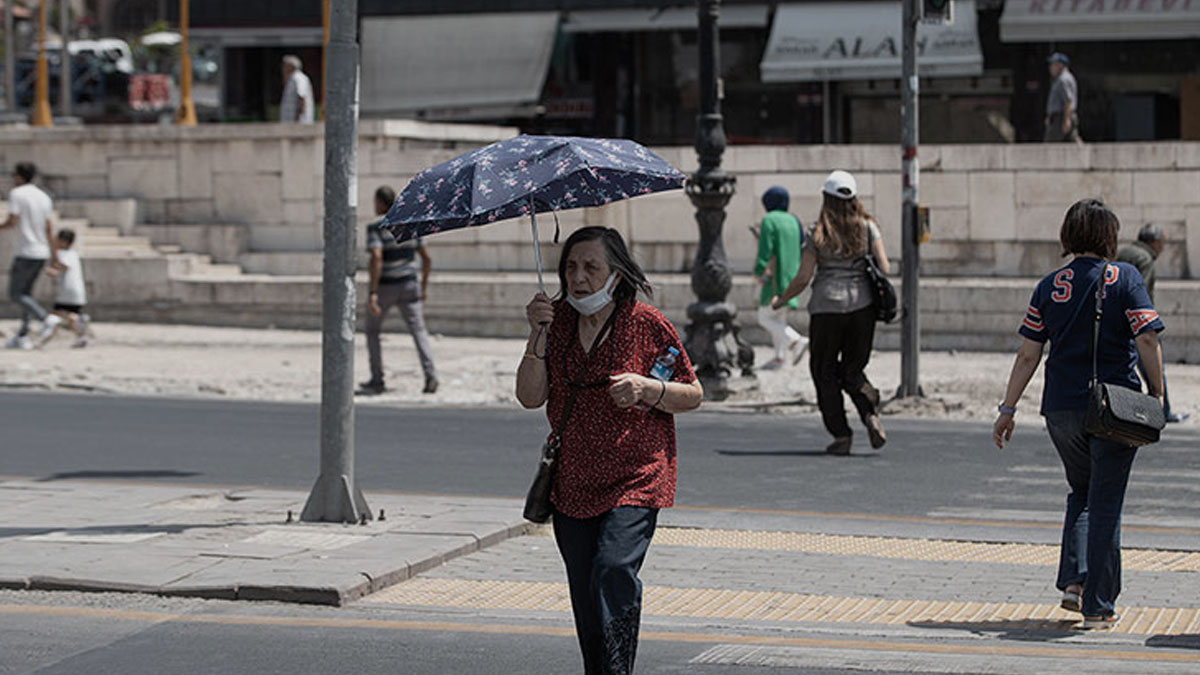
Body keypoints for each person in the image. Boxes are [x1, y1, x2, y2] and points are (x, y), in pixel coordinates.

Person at [516, 226, 703, 675]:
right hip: (574, 480)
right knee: (585, 592)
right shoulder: (556, 321)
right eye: (570, 267)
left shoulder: (645, 323)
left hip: (636, 475)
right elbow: (529, 396)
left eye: (591, 267)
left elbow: (692, 393)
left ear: (616, 274)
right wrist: (536, 335)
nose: (578, 277)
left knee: (612, 570)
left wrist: (647, 388)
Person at [994, 199, 1163, 630]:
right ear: (1109, 235)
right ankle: (1098, 606)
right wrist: (1158, 393)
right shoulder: (1124, 277)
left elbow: (1028, 354)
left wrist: (1008, 409)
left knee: (1082, 491)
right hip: (1114, 408)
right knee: (1106, 502)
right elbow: (1146, 339)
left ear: (1068, 235)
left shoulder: (1049, 285)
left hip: (1061, 408)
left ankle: (1074, 582)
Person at [773, 170, 890, 456]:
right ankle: (870, 413)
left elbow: (803, 277)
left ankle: (841, 435)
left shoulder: (818, 232)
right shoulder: (868, 227)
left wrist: (781, 300)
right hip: (862, 308)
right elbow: (884, 267)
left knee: (824, 371)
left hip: (826, 309)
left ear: (826, 198)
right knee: (852, 369)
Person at [358, 186, 437, 396]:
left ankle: (377, 379)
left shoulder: (376, 227)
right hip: (410, 284)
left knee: (372, 331)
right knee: (419, 331)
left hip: (386, 286)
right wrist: (423, 286)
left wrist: (372, 293)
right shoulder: (410, 223)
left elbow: (376, 257)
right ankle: (430, 375)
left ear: (381, 203)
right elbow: (427, 258)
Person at [1117, 224, 1184, 423]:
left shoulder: (1124, 252)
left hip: (1117, 321)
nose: (1163, 247)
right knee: (1154, 368)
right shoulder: (1145, 259)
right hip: (1139, 324)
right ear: (1154, 242)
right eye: (1162, 242)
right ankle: (1163, 411)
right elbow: (1141, 293)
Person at [2, 162, 59, 350]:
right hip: (41, 252)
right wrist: (54, 256)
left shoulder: (17, 194)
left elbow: (12, 220)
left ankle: (46, 318)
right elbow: (49, 228)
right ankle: (23, 335)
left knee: (16, 293)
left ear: (19, 176)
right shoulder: (44, 197)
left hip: (25, 251)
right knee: (26, 294)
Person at [753, 186, 808, 370]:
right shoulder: (794, 220)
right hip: (792, 277)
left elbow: (766, 250)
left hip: (775, 278)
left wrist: (759, 271)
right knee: (779, 317)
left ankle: (796, 340)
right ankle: (779, 357)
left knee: (764, 317)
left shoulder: (769, 220)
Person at [40, 228, 89, 348]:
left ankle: (53, 328)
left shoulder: (62, 254)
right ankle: (81, 337)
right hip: (78, 292)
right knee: (70, 316)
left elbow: (64, 266)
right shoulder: (74, 254)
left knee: (56, 314)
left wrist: (51, 269)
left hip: (67, 291)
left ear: (64, 242)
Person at [1044, 52, 1081, 143]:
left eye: (1053, 65)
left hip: (1061, 117)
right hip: (1059, 116)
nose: (1050, 68)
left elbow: (1068, 100)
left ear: (1060, 65)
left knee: (1050, 144)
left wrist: (1066, 119)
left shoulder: (1064, 79)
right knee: (1072, 140)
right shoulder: (1058, 79)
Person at [280, 55, 315, 124]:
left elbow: (301, 97)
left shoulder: (299, 78)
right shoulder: (291, 78)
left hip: (298, 122)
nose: (283, 68)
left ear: (291, 67)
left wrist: (297, 119)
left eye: (285, 66)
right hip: (291, 123)